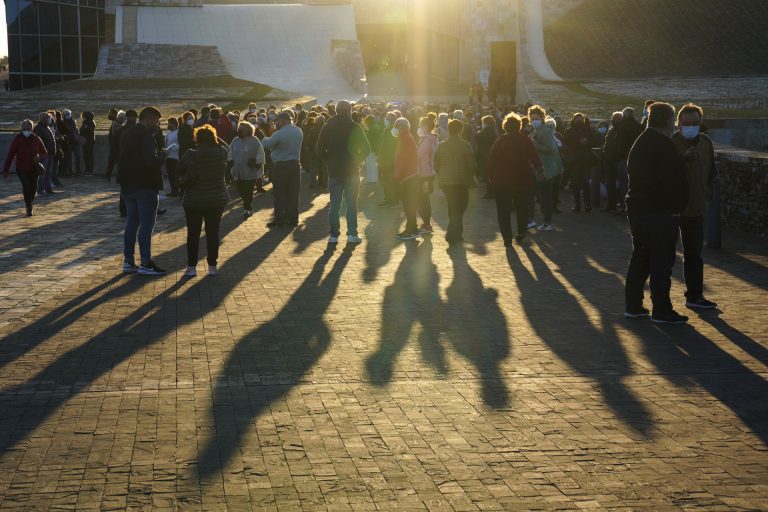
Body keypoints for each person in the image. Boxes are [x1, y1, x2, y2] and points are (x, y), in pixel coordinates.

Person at [624, 102, 691, 324]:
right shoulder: (663, 144)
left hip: (637, 209)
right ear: (666, 121)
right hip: (657, 211)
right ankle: (661, 309)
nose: (675, 125)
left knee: (640, 257)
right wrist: (676, 208)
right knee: (661, 261)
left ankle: (633, 305)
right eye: (673, 120)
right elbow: (669, 181)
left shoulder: (642, 141)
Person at [672, 103, 718, 310]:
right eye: (686, 123)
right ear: (678, 124)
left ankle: (695, 295)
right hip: (673, 208)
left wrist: (708, 191)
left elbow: (712, 170)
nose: (691, 127)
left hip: (697, 206)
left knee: (694, 255)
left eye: (695, 123)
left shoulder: (706, 143)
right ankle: (662, 302)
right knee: (664, 255)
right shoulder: (670, 142)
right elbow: (662, 172)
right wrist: (682, 160)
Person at [117, 106, 168, 275]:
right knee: (146, 226)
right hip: (145, 185)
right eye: (156, 121)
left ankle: (128, 261)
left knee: (132, 224)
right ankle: (145, 262)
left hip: (127, 185)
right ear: (148, 119)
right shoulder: (145, 136)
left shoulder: (127, 133)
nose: (157, 124)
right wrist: (162, 155)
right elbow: (150, 161)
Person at [315, 99, 371, 244]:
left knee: (334, 205)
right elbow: (367, 148)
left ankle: (334, 235)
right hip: (351, 170)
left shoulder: (328, 126)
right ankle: (352, 234)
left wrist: (329, 160)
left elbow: (319, 149)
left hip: (334, 170)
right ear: (349, 111)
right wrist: (357, 160)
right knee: (351, 204)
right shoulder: (354, 126)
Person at [177, 125, 230, 277]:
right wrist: (215, 138)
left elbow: (178, 170)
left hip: (193, 200)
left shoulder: (191, 154)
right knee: (213, 233)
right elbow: (227, 146)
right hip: (216, 199)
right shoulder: (221, 153)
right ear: (213, 139)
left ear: (197, 139)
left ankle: (191, 267)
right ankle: (212, 266)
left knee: (192, 234)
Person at [487, 112, 542, 245]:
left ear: (505, 126)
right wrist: (540, 169)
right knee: (522, 207)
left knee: (503, 210)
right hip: (521, 179)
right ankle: (521, 232)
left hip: (502, 181)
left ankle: (507, 237)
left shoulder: (500, 140)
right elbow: (534, 157)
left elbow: (491, 160)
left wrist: (490, 177)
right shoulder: (525, 140)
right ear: (519, 126)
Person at [434, 119, 476, 245]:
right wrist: (472, 176)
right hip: (461, 180)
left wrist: (441, 174)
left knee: (452, 206)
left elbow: (436, 163)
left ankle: (457, 234)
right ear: (460, 130)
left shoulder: (441, 145)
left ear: (448, 130)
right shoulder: (465, 144)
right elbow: (471, 164)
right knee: (461, 207)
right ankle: (452, 233)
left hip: (446, 181)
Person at [261, 110, 303, 228]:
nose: (276, 123)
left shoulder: (281, 133)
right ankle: (293, 219)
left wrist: (265, 137)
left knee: (280, 193)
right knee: (293, 194)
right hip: (295, 165)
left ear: (283, 120)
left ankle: (279, 219)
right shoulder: (298, 130)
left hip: (282, 166)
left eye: (278, 121)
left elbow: (266, 144)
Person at [528, 106, 563, 231]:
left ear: (542, 118)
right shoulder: (537, 130)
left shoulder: (545, 131)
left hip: (546, 169)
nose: (533, 121)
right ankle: (537, 221)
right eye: (532, 119)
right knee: (538, 196)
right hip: (539, 168)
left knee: (545, 197)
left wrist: (534, 145)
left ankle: (547, 222)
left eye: (536, 118)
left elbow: (550, 149)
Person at [3, 119, 48, 217]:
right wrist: (6, 170)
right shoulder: (18, 139)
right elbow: (10, 155)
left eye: (28, 128)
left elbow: (44, 151)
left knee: (33, 188)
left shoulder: (36, 138)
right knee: (26, 186)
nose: (26, 130)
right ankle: (29, 207)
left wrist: (39, 157)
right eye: (25, 128)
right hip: (21, 167)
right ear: (22, 128)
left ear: (31, 128)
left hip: (34, 167)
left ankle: (29, 202)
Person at [228, 121, 265, 218]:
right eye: (239, 129)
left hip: (251, 171)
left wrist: (256, 162)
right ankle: (247, 204)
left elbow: (261, 153)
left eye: (242, 130)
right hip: (238, 171)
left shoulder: (254, 140)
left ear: (248, 131)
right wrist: (230, 161)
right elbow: (230, 151)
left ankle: (247, 209)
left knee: (248, 190)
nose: (239, 131)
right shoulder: (235, 140)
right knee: (241, 190)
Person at [392, 117, 420, 240]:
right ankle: (411, 227)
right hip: (408, 175)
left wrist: (398, 174)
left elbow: (404, 159)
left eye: (396, 126)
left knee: (409, 204)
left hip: (408, 176)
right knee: (407, 204)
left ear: (402, 127)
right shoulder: (405, 137)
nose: (394, 128)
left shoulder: (406, 138)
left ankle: (412, 229)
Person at [615, 107, 643, 211]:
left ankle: (624, 206)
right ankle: (635, 205)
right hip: (637, 159)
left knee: (623, 183)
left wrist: (618, 155)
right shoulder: (639, 127)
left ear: (624, 115)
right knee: (634, 183)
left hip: (624, 158)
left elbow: (620, 145)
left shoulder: (622, 127)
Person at [563, 113, 593, 212]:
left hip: (585, 161)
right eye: (577, 119)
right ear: (573, 120)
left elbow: (594, 140)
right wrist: (578, 142)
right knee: (575, 184)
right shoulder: (569, 131)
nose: (579, 121)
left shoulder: (588, 130)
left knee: (586, 184)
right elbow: (566, 143)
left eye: (581, 119)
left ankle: (588, 204)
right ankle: (577, 204)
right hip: (574, 161)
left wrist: (587, 141)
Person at [416, 116, 439, 235]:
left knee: (421, 199)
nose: (419, 127)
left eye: (420, 125)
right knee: (426, 199)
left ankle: (426, 224)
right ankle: (426, 223)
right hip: (430, 172)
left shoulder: (426, 139)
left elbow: (417, 155)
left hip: (422, 173)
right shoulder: (435, 138)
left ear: (425, 126)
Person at [601, 111, 624, 211]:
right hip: (610, 159)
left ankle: (621, 205)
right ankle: (611, 205)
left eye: (615, 118)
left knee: (621, 184)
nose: (613, 120)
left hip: (617, 160)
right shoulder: (612, 130)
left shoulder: (622, 130)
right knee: (611, 184)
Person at [377, 112, 399, 207]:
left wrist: (380, 157)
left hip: (387, 159)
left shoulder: (388, 130)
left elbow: (384, 145)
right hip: (393, 158)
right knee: (390, 180)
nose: (385, 120)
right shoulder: (396, 130)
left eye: (387, 118)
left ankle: (391, 200)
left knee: (387, 180)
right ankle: (390, 199)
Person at [33, 112, 56, 197]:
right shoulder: (38, 128)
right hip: (44, 155)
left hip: (50, 154)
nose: (50, 120)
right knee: (42, 173)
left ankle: (48, 189)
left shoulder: (47, 127)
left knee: (48, 173)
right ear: (43, 119)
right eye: (48, 118)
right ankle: (40, 190)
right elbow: (36, 143)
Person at [476, 115, 498, 199]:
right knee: (490, 174)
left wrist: (478, 132)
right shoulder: (494, 129)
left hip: (486, 154)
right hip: (490, 153)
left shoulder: (487, 130)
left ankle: (490, 192)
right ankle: (491, 191)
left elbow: (478, 138)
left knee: (488, 174)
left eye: (483, 122)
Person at [164, 117, 181, 197]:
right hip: (168, 157)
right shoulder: (168, 133)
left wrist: (171, 148)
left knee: (175, 175)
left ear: (174, 124)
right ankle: (173, 190)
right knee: (170, 175)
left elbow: (180, 145)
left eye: (169, 123)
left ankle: (177, 190)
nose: (168, 125)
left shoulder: (178, 132)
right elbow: (166, 144)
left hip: (176, 157)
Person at [62, 109, 82, 176]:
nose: (68, 115)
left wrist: (77, 135)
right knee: (69, 158)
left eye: (69, 114)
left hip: (76, 141)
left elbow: (76, 130)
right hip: (68, 142)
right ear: (63, 115)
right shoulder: (62, 123)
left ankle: (78, 171)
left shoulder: (73, 121)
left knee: (78, 156)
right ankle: (69, 171)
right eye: (66, 114)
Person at [106, 109, 122, 182]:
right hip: (115, 144)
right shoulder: (116, 120)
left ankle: (109, 175)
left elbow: (115, 134)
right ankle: (109, 175)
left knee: (114, 161)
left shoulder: (117, 122)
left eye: (111, 113)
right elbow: (109, 117)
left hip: (115, 145)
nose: (109, 115)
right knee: (115, 161)